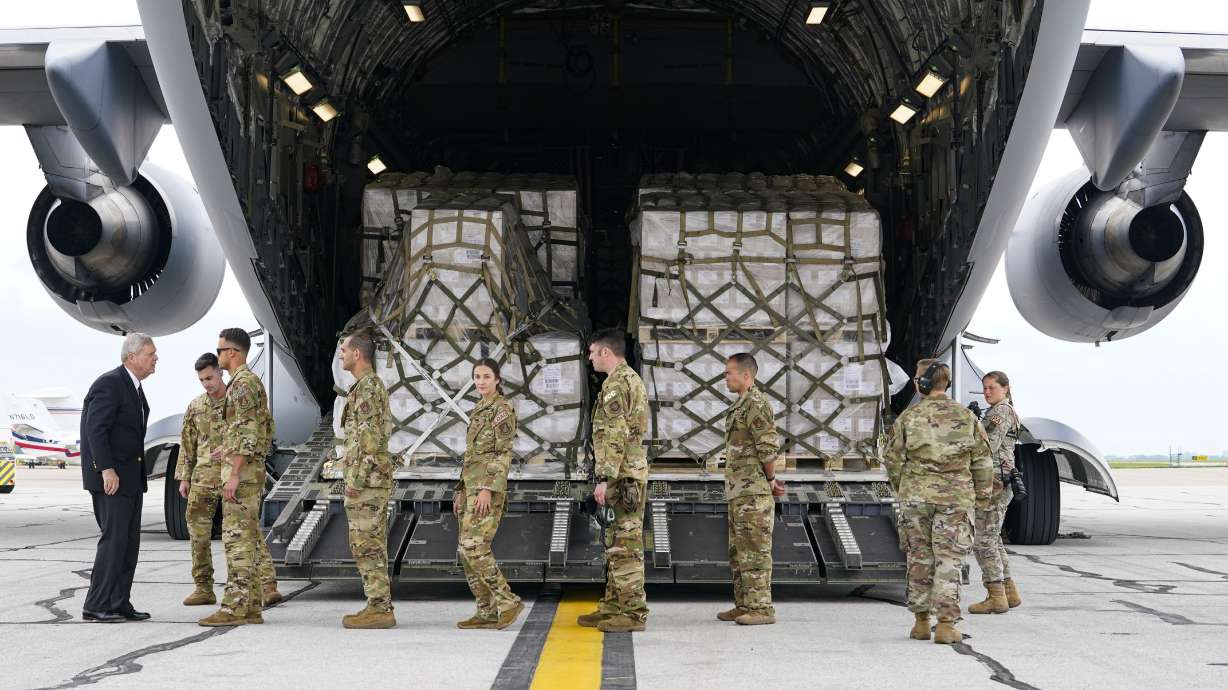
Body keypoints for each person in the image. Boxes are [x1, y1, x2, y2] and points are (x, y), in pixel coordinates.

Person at [885, 359, 992, 645]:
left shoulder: (908, 418)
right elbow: (983, 463)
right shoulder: (967, 417)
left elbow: (892, 460)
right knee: (948, 560)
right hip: (955, 500)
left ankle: (921, 623)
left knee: (918, 557)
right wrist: (980, 499)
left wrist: (905, 488)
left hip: (915, 498)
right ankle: (945, 625)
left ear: (922, 384)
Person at [177, 353, 281, 608]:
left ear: (220, 373)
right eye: (202, 380)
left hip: (233, 476)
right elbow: (187, 444)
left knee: (248, 530)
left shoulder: (238, 400)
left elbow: (262, 431)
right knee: (198, 534)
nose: (207, 384)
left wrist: (229, 449)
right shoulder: (196, 406)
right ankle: (203, 587)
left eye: (210, 377)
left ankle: (268, 586)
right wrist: (184, 477)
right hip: (203, 478)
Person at [199, 328, 278, 626]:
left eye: (220, 351)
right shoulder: (245, 384)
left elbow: (248, 432)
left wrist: (234, 473)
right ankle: (251, 608)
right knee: (245, 538)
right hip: (245, 467)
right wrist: (227, 448)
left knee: (237, 541)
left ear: (233, 352)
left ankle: (234, 608)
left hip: (242, 475)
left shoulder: (243, 385)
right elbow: (259, 428)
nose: (218, 356)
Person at [577, 328, 650, 633]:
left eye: (593, 352)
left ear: (606, 352)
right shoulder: (628, 379)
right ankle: (613, 606)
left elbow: (615, 436)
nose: (590, 358)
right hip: (628, 473)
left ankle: (632, 613)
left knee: (625, 544)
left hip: (623, 476)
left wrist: (605, 479)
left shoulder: (616, 385)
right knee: (615, 541)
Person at [80, 333, 156, 623]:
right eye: (150, 354)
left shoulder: (134, 388)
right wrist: (106, 469)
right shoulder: (110, 383)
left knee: (128, 543)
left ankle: (118, 601)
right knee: (113, 541)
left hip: (130, 479)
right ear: (132, 357)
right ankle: (96, 604)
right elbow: (95, 429)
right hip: (111, 479)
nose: (155, 359)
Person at [453, 358, 524, 630]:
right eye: (477, 376)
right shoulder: (478, 410)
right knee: (464, 550)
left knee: (474, 546)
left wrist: (485, 489)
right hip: (471, 488)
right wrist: (461, 490)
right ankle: (485, 610)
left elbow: (501, 453)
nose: (480, 381)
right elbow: (471, 456)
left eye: (486, 376)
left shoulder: (502, 410)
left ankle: (508, 601)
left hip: (487, 490)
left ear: (497, 380)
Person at [718, 353, 786, 626]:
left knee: (755, 550)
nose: (726, 377)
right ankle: (744, 603)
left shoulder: (756, 404)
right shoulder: (741, 405)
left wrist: (770, 480)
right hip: (739, 490)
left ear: (746, 374)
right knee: (739, 550)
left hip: (753, 491)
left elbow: (767, 448)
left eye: (729, 373)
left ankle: (761, 608)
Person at [337, 330, 397, 629]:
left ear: (357, 354)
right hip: (368, 479)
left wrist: (356, 479)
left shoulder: (368, 388)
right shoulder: (364, 387)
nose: (341, 354)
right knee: (366, 543)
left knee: (367, 544)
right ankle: (377, 603)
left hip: (368, 482)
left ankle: (380, 608)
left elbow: (370, 441)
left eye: (344, 350)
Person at [969, 371, 1023, 613]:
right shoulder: (998, 411)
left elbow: (988, 446)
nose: (987, 392)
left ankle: (996, 596)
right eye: (985, 388)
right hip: (999, 480)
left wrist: (972, 425)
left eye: (992, 387)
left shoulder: (1001, 412)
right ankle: (1008, 592)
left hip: (995, 482)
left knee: (983, 541)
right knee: (994, 538)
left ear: (1005, 388)